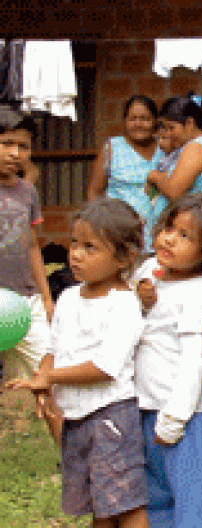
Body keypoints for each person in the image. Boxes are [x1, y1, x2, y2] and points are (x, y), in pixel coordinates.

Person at [7, 198, 149, 528]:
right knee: (98, 506)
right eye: (74, 242)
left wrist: (50, 377)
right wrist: (44, 384)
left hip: (111, 417)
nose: (76, 253)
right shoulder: (69, 298)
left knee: (125, 504)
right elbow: (53, 349)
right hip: (76, 419)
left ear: (124, 258)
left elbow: (103, 367)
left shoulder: (123, 305)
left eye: (90, 247)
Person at [132, 194, 202, 528]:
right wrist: (140, 295)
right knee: (155, 496)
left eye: (185, 236)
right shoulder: (152, 273)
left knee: (192, 501)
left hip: (186, 417)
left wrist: (175, 416)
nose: (169, 239)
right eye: (169, 228)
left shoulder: (199, 291)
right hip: (145, 407)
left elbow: (196, 360)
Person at [0, 105, 55, 393]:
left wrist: (46, 297)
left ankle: (63, 437)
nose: (15, 153)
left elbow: (32, 245)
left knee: (48, 374)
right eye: (6, 143)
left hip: (25, 300)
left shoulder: (27, 191)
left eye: (23, 146)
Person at [146, 93, 202, 240]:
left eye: (172, 128)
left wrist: (154, 176)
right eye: (166, 128)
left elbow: (174, 190)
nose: (169, 134)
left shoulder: (196, 147)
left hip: (190, 231)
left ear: (189, 123)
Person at [87, 95, 163, 247]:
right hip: (118, 233)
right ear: (125, 121)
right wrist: (101, 226)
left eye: (145, 119)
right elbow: (94, 192)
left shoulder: (165, 148)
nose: (138, 124)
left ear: (155, 121)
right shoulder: (112, 148)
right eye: (132, 119)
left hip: (158, 234)